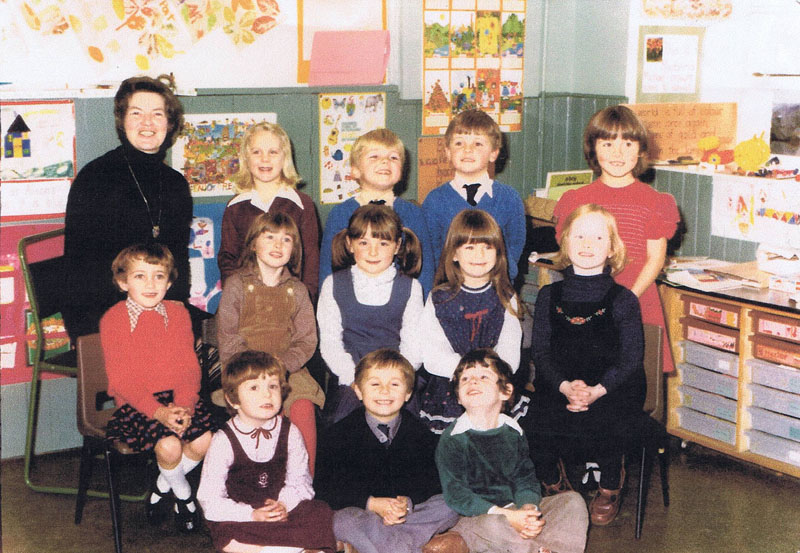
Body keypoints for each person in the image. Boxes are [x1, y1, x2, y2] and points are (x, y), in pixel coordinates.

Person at [525, 204, 646, 526]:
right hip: (562, 381)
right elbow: (542, 351)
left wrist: (596, 391)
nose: (588, 244)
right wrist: (565, 387)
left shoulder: (623, 299)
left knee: (611, 418)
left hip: (611, 383)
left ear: (612, 248)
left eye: (598, 237)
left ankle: (609, 484)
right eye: (579, 236)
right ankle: (555, 483)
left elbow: (631, 358)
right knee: (534, 419)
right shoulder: (549, 294)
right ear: (565, 243)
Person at [65, 75, 193, 340]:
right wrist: (88, 333)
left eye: (157, 114)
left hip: (161, 307)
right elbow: (78, 266)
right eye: (137, 113)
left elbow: (179, 260)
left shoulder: (176, 184)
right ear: (122, 122)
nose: (147, 123)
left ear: (169, 124)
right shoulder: (96, 177)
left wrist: (180, 315)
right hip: (105, 315)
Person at [553, 104, 679, 373]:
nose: (618, 153)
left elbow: (655, 259)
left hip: (638, 301)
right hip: (587, 302)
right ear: (593, 149)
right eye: (608, 144)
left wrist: (626, 300)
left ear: (641, 149)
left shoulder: (655, 202)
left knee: (639, 392)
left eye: (628, 143)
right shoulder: (576, 201)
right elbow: (570, 254)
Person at [101, 244, 214, 533]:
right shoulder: (114, 320)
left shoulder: (178, 314)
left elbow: (189, 368)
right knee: (170, 445)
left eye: (158, 276)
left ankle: (160, 488)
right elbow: (122, 381)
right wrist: (160, 412)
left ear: (170, 281)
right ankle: (186, 500)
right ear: (122, 282)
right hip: (137, 403)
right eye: (140, 276)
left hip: (178, 399)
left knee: (205, 440)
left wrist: (185, 406)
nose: (150, 284)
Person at [432, 349, 588, 553]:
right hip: (478, 518)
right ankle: (538, 549)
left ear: (505, 392)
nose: (473, 382)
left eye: (483, 377)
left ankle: (554, 549)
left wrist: (528, 508)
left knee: (573, 502)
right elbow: (456, 495)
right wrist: (507, 516)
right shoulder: (453, 439)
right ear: (459, 398)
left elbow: (525, 478)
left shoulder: (513, 432)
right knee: (495, 526)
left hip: (516, 510)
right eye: (465, 379)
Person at [314, 349, 460, 553]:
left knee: (449, 505)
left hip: (408, 514)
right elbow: (326, 487)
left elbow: (431, 481)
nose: (384, 391)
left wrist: (406, 503)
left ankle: (384, 545)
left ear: (408, 393)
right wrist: (371, 503)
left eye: (394, 384)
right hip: (364, 513)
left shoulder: (421, 434)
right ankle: (407, 546)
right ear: (357, 390)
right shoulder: (338, 435)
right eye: (375, 384)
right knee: (341, 520)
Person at [216, 212, 325, 474]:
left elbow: (306, 339)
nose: (278, 245)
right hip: (244, 369)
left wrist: (282, 365)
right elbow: (228, 338)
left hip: (289, 369)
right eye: (270, 237)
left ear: (294, 249)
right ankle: (257, 478)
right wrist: (257, 370)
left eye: (286, 240)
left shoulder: (297, 291)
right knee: (255, 408)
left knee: (302, 408)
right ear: (253, 244)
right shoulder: (236, 285)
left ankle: (304, 480)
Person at [198, 351, 336, 553]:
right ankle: (291, 549)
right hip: (244, 517)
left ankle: (284, 548)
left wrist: (283, 504)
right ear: (233, 399)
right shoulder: (223, 440)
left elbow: (301, 481)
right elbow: (209, 498)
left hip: (281, 511)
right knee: (228, 537)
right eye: (254, 387)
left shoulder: (290, 432)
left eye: (273, 386)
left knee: (320, 512)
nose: (267, 394)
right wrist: (251, 514)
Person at [418, 210, 525, 434]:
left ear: (498, 253)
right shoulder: (439, 298)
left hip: (494, 385)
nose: (479, 255)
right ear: (454, 254)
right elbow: (432, 351)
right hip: (452, 386)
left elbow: (509, 351)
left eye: (487, 247)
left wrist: (487, 379)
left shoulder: (506, 296)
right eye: (470, 247)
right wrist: (469, 378)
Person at [317, 204, 424, 423]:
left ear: (397, 246)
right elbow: (330, 344)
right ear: (350, 244)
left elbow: (414, 346)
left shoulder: (411, 288)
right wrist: (358, 381)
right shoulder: (334, 285)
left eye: (383, 243)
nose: (373, 252)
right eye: (363, 243)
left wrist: (394, 382)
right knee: (343, 426)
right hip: (352, 380)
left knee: (409, 430)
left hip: (397, 379)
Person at [319, 128, 435, 295]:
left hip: (402, 305)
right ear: (355, 170)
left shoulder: (413, 213)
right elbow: (328, 269)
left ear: (401, 170)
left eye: (393, 157)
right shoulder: (340, 213)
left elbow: (425, 269)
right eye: (374, 156)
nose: (385, 162)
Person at [218, 122, 320, 299]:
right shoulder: (235, 206)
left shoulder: (302, 204)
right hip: (248, 301)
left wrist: (306, 300)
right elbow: (228, 259)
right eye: (257, 152)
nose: (265, 159)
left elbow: (311, 260)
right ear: (246, 158)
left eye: (273, 152)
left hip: (292, 300)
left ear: (285, 157)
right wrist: (236, 298)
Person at [422, 109, 526, 281]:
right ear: (447, 152)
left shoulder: (509, 199)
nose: (468, 150)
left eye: (478, 144)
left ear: (493, 153)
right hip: (450, 292)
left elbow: (513, 251)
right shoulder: (435, 201)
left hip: (496, 290)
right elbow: (431, 255)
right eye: (459, 143)